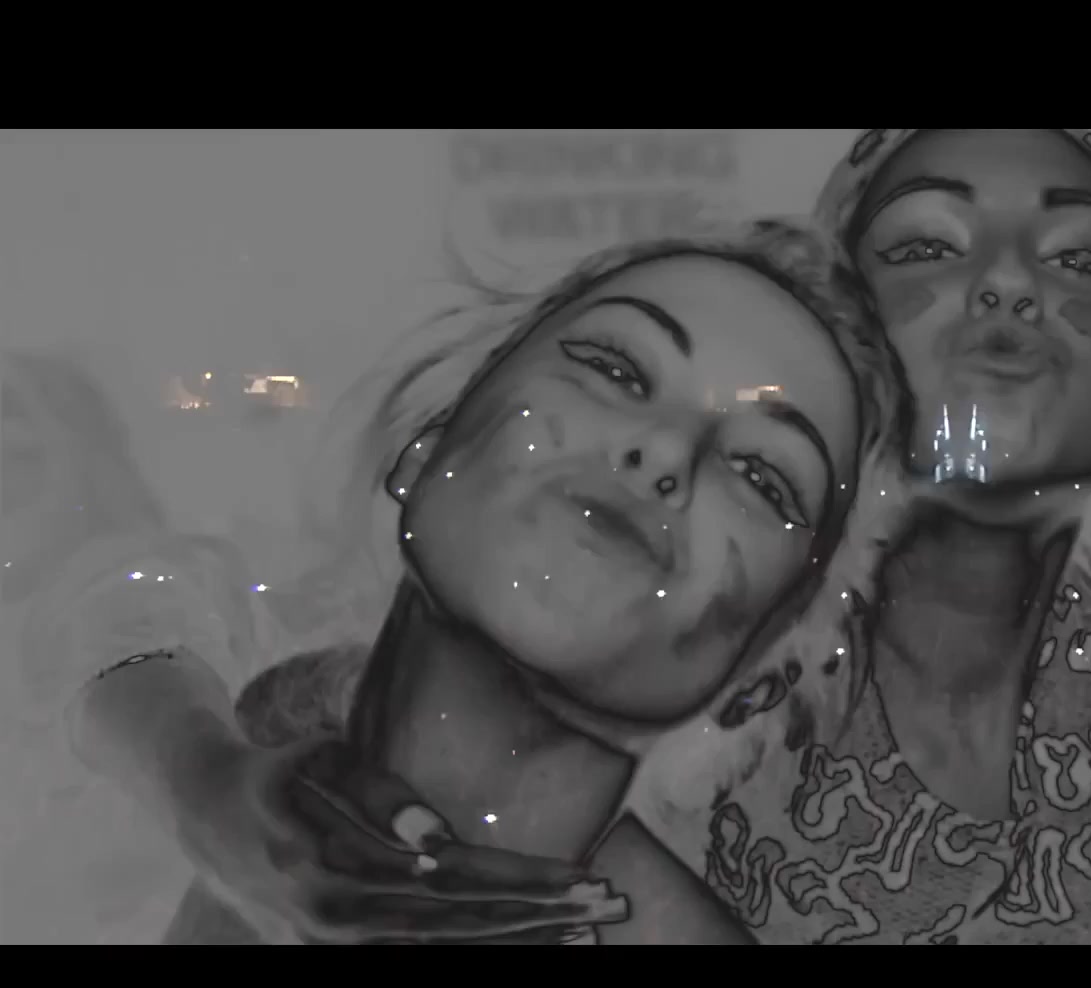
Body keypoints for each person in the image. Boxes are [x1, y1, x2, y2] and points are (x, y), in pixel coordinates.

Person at [57, 219, 900, 944]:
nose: (666, 453)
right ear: (423, 447)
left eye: (763, 476)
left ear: (764, 677)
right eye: (615, 368)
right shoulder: (277, 704)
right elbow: (102, 613)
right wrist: (197, 777)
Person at [676, 129, 1091, 945]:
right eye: (927, 247)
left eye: (1079, 259)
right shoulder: (681, 691)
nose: (1008, 282)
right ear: (831, 335)